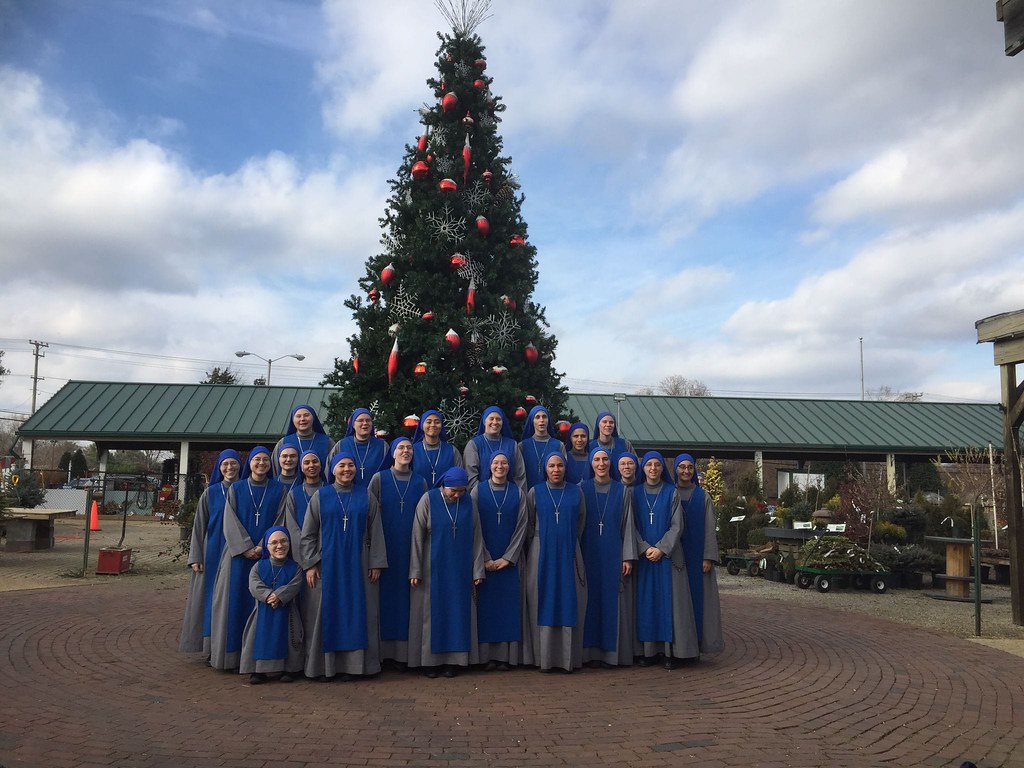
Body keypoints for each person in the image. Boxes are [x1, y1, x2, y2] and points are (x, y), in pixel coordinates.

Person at [300, 452, 387, 681]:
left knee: (359, 612)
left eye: (350, 465)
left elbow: (376, 531)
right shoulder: (321, 496)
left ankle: (356, 666)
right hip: (327, 565)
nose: (346, 469)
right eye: (341, 466)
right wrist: (310, 564)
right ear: (333, 470)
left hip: (360, 563)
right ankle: (324, 667)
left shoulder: (366, 495)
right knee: (325, 613)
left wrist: (376, 562)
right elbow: (308, 534)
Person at [209, 447, 289, 671]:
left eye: (265, 460)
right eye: (256, 460)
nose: (261, 463)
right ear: (249, 464)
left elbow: (280, 519)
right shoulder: (237, 488)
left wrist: (264, 547)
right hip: (237, 557)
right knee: (234, 605)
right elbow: (229, 519)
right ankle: (232, 659)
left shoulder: (279, 489)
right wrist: (245, 547)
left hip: (267, 557)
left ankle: (260, 659)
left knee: (263, 607)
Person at [407, 467, 487, 678]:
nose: (458, 495)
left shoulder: (469, 501)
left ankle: (455, 661)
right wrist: (415, 569)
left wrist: (478, 569)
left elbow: (477, 537)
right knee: (432, 615)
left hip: (461, 568)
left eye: (461, 491)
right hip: (432, 567)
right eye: (454, 491)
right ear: (443, 486)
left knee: (457, 614)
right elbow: (417, 536)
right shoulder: (428, 499)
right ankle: (430, 663)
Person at [632, 451, 698, 669]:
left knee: (668, 604)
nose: (653, 468)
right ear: (643, 468)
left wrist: (661, 549)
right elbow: (629, 525)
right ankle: (649, 652)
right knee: (647, 604)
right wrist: (643, 547)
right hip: (644, 557)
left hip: (666, 557)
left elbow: (677, 525)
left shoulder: (672, 493)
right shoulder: (633, 493)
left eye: (657, 465)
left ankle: (670, 652)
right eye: (649, 465)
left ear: (662, 468)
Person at [523, 453, 587, 672]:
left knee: (569, 599)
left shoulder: (576, 491)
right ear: (545, 469)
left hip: (569, 550)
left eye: (560, 465)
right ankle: (543, 658)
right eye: (552, 466)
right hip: (541, 551)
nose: (556, 469)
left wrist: (566, 539)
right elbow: (530, 524)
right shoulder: (535, 492)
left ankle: (568, 659)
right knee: (542, 598)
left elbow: (581, 520)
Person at [369, 438, 428, 667]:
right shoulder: (379, 479)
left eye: (409, 448)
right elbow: (370, 516)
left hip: (412, 548)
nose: (405, 451)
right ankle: (384, 654)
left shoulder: (420, 482)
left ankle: (406, 654)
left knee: (408, 601)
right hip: (385, 547)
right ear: (392, 453)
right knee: (385, 600)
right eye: (401, 448)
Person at [179, 449, 241, 655]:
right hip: (213, 550)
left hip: (238, 551)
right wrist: (196, 555)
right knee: (210, 598)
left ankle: (232, 645)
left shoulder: (245, 489)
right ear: (219, 468)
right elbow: (199, 526)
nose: (230, 468)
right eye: (225, 464)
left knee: (234, 597)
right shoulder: (211, 493)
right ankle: (209, 647)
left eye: (234, 463)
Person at [580, 446, 637, 667]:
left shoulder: (621, 491)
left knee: (611, 602)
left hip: (613, 554)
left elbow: (628, 525)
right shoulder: (581, 488)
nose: (602, 463)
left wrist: (627, 557)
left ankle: (610, 655)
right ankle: (587, 654)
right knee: (590, 601)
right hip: (588, 553)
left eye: (605, 459)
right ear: (591, 464)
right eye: (597, 460)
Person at [472, 451, 528, 670]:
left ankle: (507, 657)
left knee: (507, 606)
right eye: (496, 462)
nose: (500, 466)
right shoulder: (478, 491)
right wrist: (484, 557)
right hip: (485, 558)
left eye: (504, 462)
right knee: (487, 607)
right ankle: (485, 657)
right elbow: (474, 526)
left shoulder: (518, 493)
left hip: (509, 560)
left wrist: (508, 557)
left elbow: (523, 526)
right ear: (489, 466)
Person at [239, 526, 304, 684]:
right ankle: (259, 670)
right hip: (262, 610)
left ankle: (289, 669)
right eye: (274, 542)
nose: (279, 546)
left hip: (287, 612)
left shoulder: (295, 568)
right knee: (258, 637)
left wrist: (280, 595)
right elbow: (254, 584)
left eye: (283, 541)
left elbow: (295, 585)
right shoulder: (258, 567)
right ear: (267, 546)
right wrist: (268, 595)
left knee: (289, 638)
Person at [673, 453, 724, 656]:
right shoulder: (670, 493)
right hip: (676, 554)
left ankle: (698, 644)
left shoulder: (703, 497)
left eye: (690, 467)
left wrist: (708, 556)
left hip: (697, 556)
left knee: (699, 602)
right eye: (682, 467)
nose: (686, 471)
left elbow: (710, 528)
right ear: (675, 469)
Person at [464, 406, 526, 491]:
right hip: (482, 497)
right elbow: (471, 477)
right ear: (484, 421)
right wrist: (484, 494)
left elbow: (520, 476)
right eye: (491, 419)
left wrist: (516, 495)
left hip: (509, 496)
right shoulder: (474, 444)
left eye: (498, 419)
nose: (495, 422)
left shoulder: (512, 445)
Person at [329, 408, 391, 487]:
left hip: (377, 493)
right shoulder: (341, 445)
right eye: (361, 420)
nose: (365, 423)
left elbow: (390, 472)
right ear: (353, 424)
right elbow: (330, 470)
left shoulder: (383, 446)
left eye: (368, 420)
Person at [272, 404, 334, 478]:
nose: (302, 419)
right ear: (293, 419)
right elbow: (275, 470)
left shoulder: (327, 442)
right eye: (298, 416)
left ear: (313, 418)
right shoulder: (283, 443)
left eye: (306, 415)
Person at [411, 409, 464, 487]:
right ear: (422, 426)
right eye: (429, 422)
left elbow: (459, 477)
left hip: (445, 498)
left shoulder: (452, 451)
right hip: (417, 496)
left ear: (441, 426)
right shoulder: (412, 450)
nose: (433, 425)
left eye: (437, 422)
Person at [519, 405, 566, 489]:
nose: (541, 420)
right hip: (528, 493)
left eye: (544, 417)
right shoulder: (522, 446)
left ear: (548, 420)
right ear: (532, 421)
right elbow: (519, 474)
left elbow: (564, 471)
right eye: (537, 417)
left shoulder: (559, 445)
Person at [589, 411, 635, 480]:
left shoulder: (625, 444)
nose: (608, 425)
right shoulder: (590, 447)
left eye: (611, 422)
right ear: (598, 425)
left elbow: (635, 464)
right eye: (604, 422)